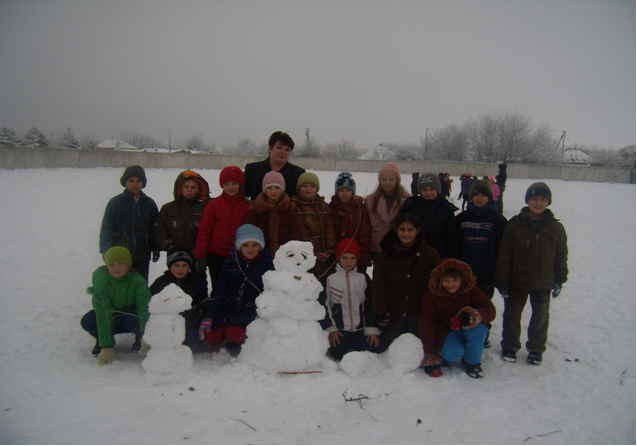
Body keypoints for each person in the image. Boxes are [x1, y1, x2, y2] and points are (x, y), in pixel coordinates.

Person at [495, 182, 568, 366]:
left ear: (548, 202)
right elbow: (504, 255)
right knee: (512, 314)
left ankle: (536, 348)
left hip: (543, 282)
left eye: (543, 199)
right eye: (534, 198)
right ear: (527, 200)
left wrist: (560, 278)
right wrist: (502, 280)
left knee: (541, 316)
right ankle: (510, 346)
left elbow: (561, 255)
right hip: (517, 280)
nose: (538, 203)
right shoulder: (514, 225)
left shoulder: (556, 228)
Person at [198, 224, 274, 356]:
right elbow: (219, 293)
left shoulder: (268, 266)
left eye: (254, 245)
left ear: (260, 246)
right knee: (210, 336)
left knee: (235, 334)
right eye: (245, 245)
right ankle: (231, 332)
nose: (250, 249)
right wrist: (208, 316)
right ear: (239, 247)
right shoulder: (230, 265)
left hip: (252, 311)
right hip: (231, 308)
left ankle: (247, 340)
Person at [371, 213, 440, 351]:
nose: (406, 233)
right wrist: (380, 311)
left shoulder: (430, 254)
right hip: (394, 312)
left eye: (410, 230)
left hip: (419, 314)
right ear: (396, 229)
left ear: (418, 230)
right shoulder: (387, 253)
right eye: (402, 229)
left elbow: (437, 287)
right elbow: (378, 283)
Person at [419, 259, 496, 379]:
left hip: (469, 328)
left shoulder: (472, 291)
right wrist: (431, 354)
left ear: (462, 280)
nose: (451, 285)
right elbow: (427, 325)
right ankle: (452, 351)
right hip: (446, 331)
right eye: (446, 280)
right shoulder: (431, 297)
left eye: (455, 280)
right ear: (439, 280)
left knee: (479, 329)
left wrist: (471, 316)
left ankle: (472, 362)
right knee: (453, 354)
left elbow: (490, 310)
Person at [456, 179, 508, 347]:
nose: (479, 198)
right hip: (464, 272)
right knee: (462, 302)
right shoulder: (462, 218)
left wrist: (494, 270)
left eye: (483, 195)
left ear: (490, 198)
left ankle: (482, 333)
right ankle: (461, 331)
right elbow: (455, 243)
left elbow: (501, 247)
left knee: (482, 305)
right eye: (476, 195)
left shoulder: (497, 220)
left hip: (485, 272)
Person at [80, 246, 151, 366]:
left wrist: (147, 335)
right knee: (88, 321)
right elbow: (103, 314)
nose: (116, 267)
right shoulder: (101, 283)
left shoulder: (138, 281)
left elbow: (144, 308)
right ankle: (100, 340)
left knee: (134, 320)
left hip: (129, 315)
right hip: (110, 315)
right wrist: (106, 345)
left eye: (121, 264)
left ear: (128, 265)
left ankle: (139, 338)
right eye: (112, 264)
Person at [319, 238, 381, 360]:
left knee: (372, 348)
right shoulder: (329, 278)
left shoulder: (363, 277)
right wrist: (331, 329)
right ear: (338, 258)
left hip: (359, 327)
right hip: (340, 328)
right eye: (345, 258)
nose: (348, 262)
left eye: (352, 258)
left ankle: (357, 340)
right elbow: (323, 305)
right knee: (338, 353)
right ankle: (344, 341)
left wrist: (371, 329)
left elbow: (369, 304)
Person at [99, 165, 159, 283]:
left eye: (138, 181)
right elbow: (107, 227)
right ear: (125, 183)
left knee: (140, 282)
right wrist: (105, 249)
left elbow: (155, 228)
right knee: (122, 283)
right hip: (120, 254)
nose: (135, 184)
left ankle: (141, 302)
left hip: (142, 254)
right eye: (131, 181)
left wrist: (156, 248)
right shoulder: (116, 203)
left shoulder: (149, 203)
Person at [194, 166, 250, 286]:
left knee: (237, 288)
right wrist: (200, 256)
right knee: (219, 287)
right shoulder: (213, 205)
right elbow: (204, 231)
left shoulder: (247, 206)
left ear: (240, 184)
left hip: (240, 255)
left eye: (234, 183)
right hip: (216, 256)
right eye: (226, 183)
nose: (230, 187)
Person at [149, 247, 208, 348]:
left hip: (190, 321)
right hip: (166, 323)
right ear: (169, 265)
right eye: (176, 265)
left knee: (191, 342)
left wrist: (191, 317)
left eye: (184, 265)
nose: (180, 269)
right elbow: (152, 304)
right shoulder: (161, 282)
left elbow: (202, 303)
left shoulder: (196, 282)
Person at [153, 170, 210, 266]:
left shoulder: (205, 208)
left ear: (199, 189)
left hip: (197, 255)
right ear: (179, 188)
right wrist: (168, 245)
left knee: (198, 280)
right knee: (178, 277)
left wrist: (201, 249)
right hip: (175, 253)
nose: (189, 190)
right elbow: (159, 228)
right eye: (186, 187)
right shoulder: (168, 208)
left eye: (193, 187)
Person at [244, 171, 306, 257]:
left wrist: (291, 250)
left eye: (277, 188)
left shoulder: (288, 209)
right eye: (269, 188)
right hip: (261, 254)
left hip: (284, 254)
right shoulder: (257, 209)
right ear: (264, 189)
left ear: (282, 189)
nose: (273, 191)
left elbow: (295, 232)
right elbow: (249, 231)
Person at [400, 172, 459, 259]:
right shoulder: (410, 208)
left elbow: (452, 238)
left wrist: (450, 258)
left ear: (438, 190)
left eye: (432, 189)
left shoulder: (445, 210)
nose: (428, 192)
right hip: (412, 256)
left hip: (438, 256)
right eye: (424, 189)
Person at [291, 172, 337, 279]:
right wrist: (313, 253)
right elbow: (300, 231)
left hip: (324, 258)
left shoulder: (324, 207)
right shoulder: (294, 206)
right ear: (299, 188)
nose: (308, 189)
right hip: (304, 257)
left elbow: (330, 230)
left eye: (312, 186)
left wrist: (328, 250)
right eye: (304, 186)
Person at [364, 163, 410, 263]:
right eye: (384, 179)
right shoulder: (370, 201)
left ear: (397, 180)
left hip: (399, 247)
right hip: (378, 248)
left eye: (391, 179)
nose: (387, 183)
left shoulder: (407, 200)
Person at [328, 172, 372, 271]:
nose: (344, 193)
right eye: (341, 190)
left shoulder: (360, 211)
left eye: (348, 190)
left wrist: (363, 256)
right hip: (334, 256)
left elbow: (365, 236)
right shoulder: (331, 209)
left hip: (353, 257)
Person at [244, 131, 306, 200]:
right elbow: (242, 196)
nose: (283, 152)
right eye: (279, 148)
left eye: (287, 150)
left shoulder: (298, 173)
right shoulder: (252, 170)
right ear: (270, 148)